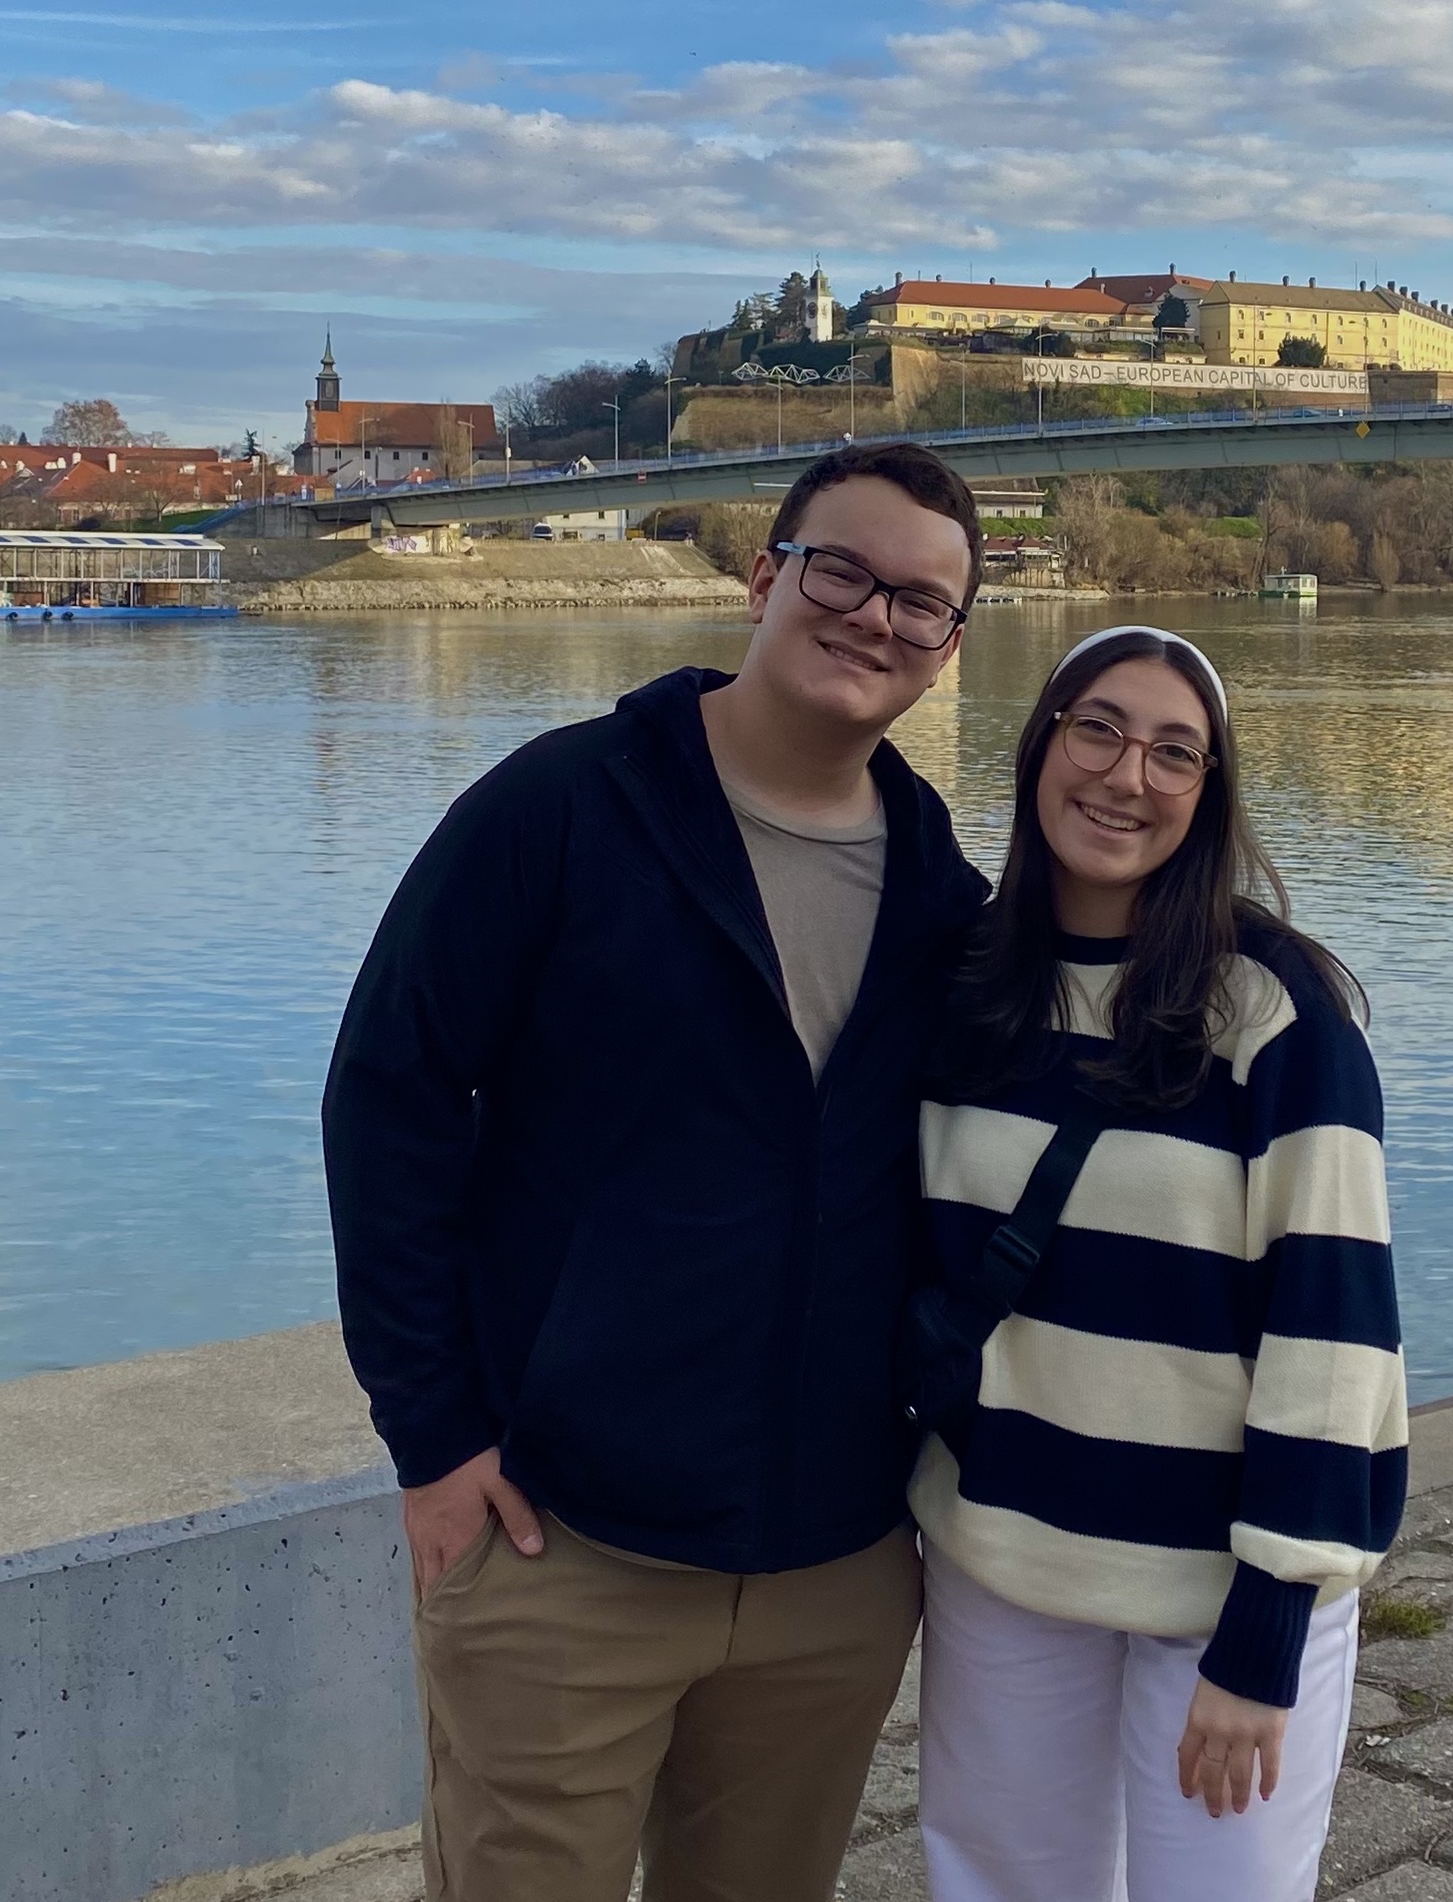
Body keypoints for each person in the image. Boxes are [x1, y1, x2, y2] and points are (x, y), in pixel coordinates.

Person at [320, 442, 989, 1902]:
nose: (874, 616)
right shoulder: (559, 808)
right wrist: (431, 1438)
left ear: (948, 649)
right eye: (842, 571)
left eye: (921, 602)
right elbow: (391, 1098)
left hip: (834, 1564)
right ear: (762, 578)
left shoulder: (945, 901)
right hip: (566, 1544)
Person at [907, 626, 1408, 1901]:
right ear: (1039, 747)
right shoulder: (967, 986)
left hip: (1216, 1583)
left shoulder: (1276, 1016)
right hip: (1004, 1552)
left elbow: (1334, 1331)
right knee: (1005, 1884)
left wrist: (1267, 1625)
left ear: (1209, 792)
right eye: (1098, 729)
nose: (1127, 775)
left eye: (1173, 751)